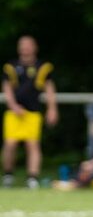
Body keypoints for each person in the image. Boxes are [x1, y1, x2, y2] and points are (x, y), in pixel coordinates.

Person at [2, 35, 58, 189]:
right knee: (10, 143)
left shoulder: (43, 67)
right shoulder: (11, 66)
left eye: (28, 45)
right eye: (22, 45)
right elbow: (7, 88)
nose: (25, 48)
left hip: (33, 112)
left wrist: (52, 109)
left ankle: (32, 177)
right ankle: (8, 175)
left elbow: (49, 88)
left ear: (35, 47)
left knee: (32, 144)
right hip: (14, 113)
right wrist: (14, 106)